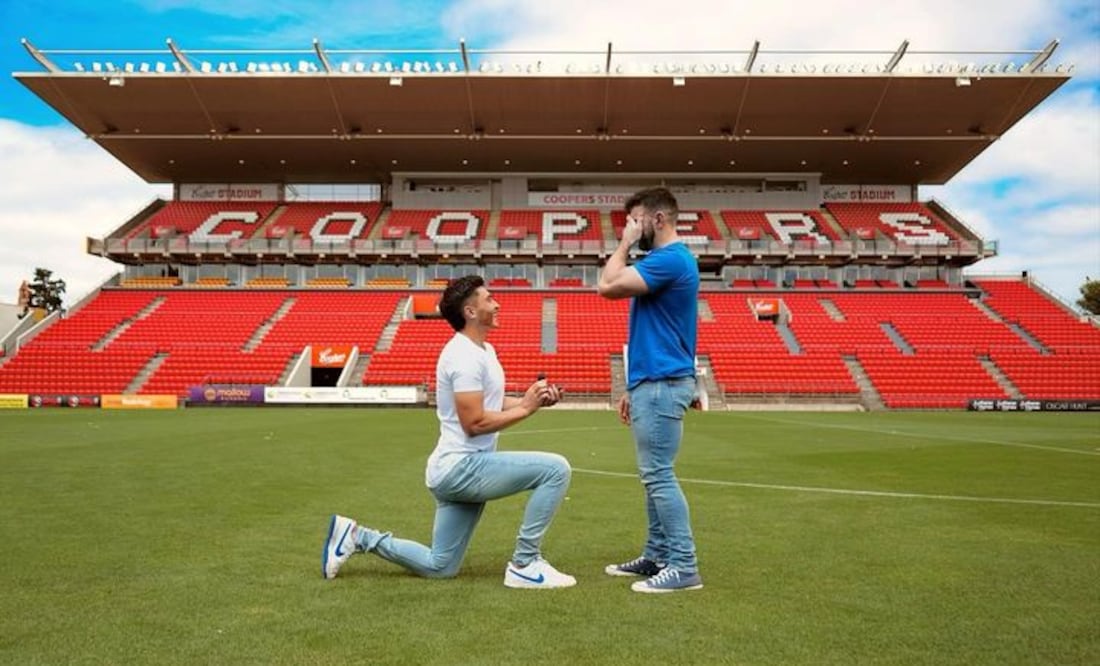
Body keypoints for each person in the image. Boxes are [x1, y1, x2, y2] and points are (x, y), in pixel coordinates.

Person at [322, 275, 576, 589]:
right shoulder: (463, 356)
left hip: (455, 471)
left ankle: (358, 537)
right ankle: (525, 563)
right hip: (462, 468)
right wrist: (525, 409)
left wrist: (531, 400)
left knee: (440, 566)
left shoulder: (484, 351)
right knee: (555, 469)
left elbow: (492, 403)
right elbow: (475, 423)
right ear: (470, 312)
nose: (497, 303)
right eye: (488, 299)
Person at [597, 186, 703, 593]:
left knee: (658, 474)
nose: (630, 227)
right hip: (651, 381)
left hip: (662, 382)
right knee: (653, 474)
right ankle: (658, 554)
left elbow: (605, 286)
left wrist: (623, 244)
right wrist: (632, 386)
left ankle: (684, 565)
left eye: (636, 219)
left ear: (658, 220)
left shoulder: (670, 260)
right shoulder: (664, 260)